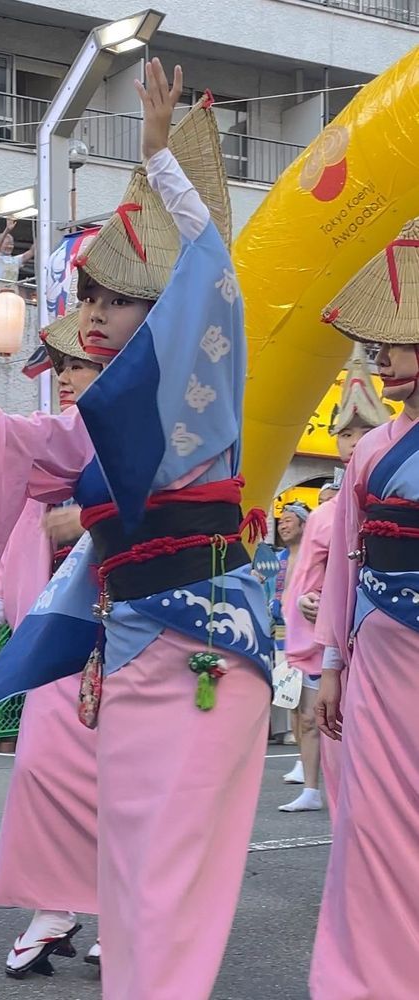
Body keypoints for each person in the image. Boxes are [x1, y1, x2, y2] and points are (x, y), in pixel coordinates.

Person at [0, 61, 272, 999]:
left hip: (203, 635)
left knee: (166, 872)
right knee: (125, 863)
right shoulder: (89, 421)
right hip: (121, 641)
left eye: (108, 303)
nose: (90, 322)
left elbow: (210, 266)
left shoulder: (202, 368)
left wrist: (160, 162)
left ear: (163, 309)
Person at [0, 309, 102, 978]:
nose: (66, 377)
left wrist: (90, 516)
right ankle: (57, 904)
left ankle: (118, 908)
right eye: (60, 366)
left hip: (133, 627)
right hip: (59, 630)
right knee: (43, 769)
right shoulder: (47, 440)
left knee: (126, 778)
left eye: (78, 363)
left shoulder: (145, 428)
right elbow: (12, 537)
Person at [310, 217, 419, 999]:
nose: (379, 356)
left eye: (394, 340)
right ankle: (371, 978)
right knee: (374, 824)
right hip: (380, 653)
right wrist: (328, 665)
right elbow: (347, 562)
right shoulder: (373, 452)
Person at [280, 347, 389, 815]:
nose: (353, 441)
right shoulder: (326, 512)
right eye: (346, 433)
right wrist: (311, 602)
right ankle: (317, 789)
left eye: (362, 430)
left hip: (383, 623)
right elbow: (315, 575)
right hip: (339, 631)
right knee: (324, 717)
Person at [269, 501, 309, 753]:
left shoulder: (313, 554)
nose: (283, 526)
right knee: (282, 681)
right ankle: (284, 731)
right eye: (280, 522)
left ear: (304, 525)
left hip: (306, 629)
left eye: (288, 521)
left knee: (305, 692)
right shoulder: (275, 559)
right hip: (280, 628)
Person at [0, 218, 35, 286]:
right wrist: (7, 230)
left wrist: (42, 231)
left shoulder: (16, 260)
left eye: (11, 244)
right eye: (7, 244)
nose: (9, 246)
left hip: (12, 293)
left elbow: (32, 251)